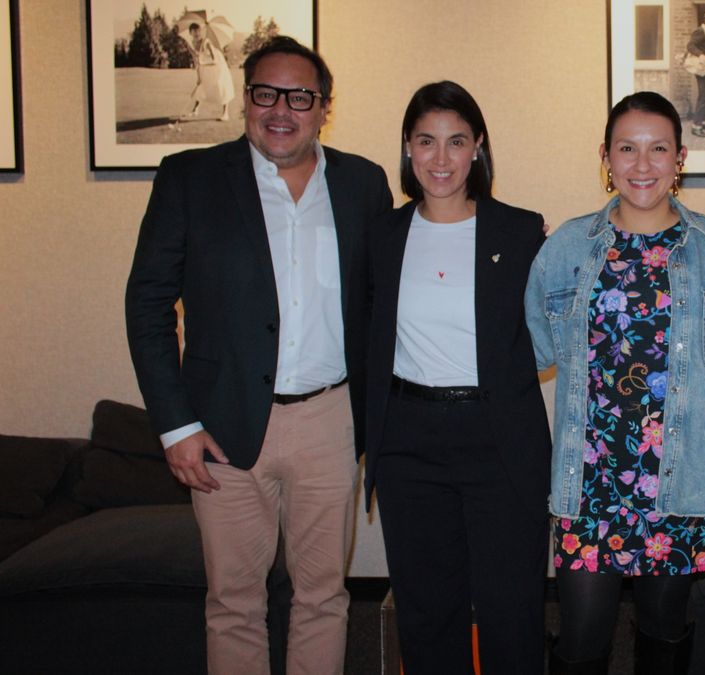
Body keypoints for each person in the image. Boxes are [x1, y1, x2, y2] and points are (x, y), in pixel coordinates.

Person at [125, 36, 392, 675]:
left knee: (324, 597)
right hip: (220, 425)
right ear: (247, 101)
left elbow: (388, 294)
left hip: (330, 423)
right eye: (266, 93)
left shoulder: (362, 183)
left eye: (299, 97)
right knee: (235, 602)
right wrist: (176, 425)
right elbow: (147, 306)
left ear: (323, 107)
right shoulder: (190, 178)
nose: (282, 109)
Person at [526, 91, 705, 675]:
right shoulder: (566, 246)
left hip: (682, 478)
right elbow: (525, 350)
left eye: (657, 149)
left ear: (680, 158)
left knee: (663, 632)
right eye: (627, 148)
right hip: (590, 481)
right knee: (580, 637)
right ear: (605, 155)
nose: (641, 165)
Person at [358, 81, 551, 675]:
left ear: (478, 148)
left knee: (511, 610)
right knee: (426, 611)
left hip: (498, 439)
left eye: (456, 142)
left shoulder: (520, 232)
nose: (440, 159)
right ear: (408, 149)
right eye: (426, 142)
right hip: (407, 441)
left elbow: (547, 333)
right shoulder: (381, 236)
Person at [180, 22, 235, 121]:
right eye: (194, 31)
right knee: (201, 86)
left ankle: (225, 113)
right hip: (205, 66)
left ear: (201, 32)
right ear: (190, 33)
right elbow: (196, 61)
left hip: (218, 66)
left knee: (221, 87)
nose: (196, 33)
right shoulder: (190, 45)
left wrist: (202, 63)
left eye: (198, 31)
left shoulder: (207, 42)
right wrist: (199, 77)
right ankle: (195, 109)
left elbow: (215, 60)